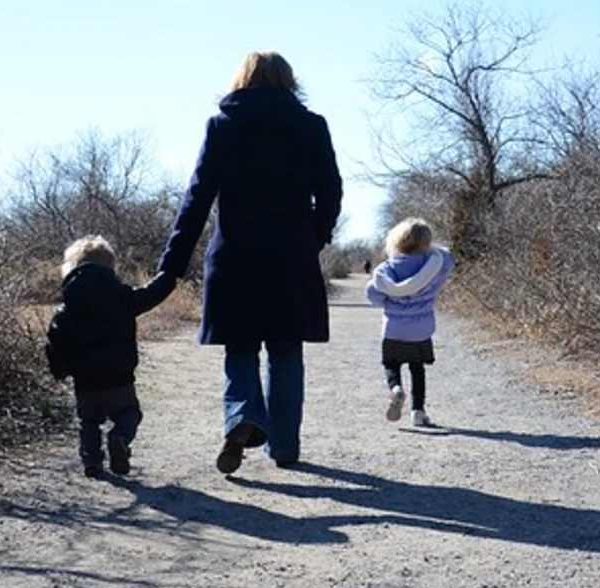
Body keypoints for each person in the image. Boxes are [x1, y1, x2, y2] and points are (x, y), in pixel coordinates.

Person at [157, 51, 343, 473]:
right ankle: (284, 447)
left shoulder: (223, 126)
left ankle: (241, 418)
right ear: (289, 81)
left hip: (234, 257)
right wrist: (312, 238)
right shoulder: (312, 127)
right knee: (285, 351)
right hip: (290, 258)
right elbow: (330, 192)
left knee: (241, 348)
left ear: (241, 79)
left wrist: (171, 265)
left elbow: (196, 200)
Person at [45, 235, 176, 477]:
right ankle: (120, 437)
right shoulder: (123, 297)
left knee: (89, 422)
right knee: (130, 414)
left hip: (85, 382)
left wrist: (59, 370)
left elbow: (54, 341)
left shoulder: (66, 309)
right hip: (119, 378)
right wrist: (170, 272)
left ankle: (92, 462)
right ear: (110, 267)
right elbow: (152, 293)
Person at [364, 217, 453, 428]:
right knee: (417, 369)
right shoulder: (434, 265)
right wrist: (432, 248)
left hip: (394, 330)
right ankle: (418, 412)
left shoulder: (388, 269)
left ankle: (395, 389)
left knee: (391, 364)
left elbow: (372, 294)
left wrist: (387, 299)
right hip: (421, 331)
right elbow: (448, 257)